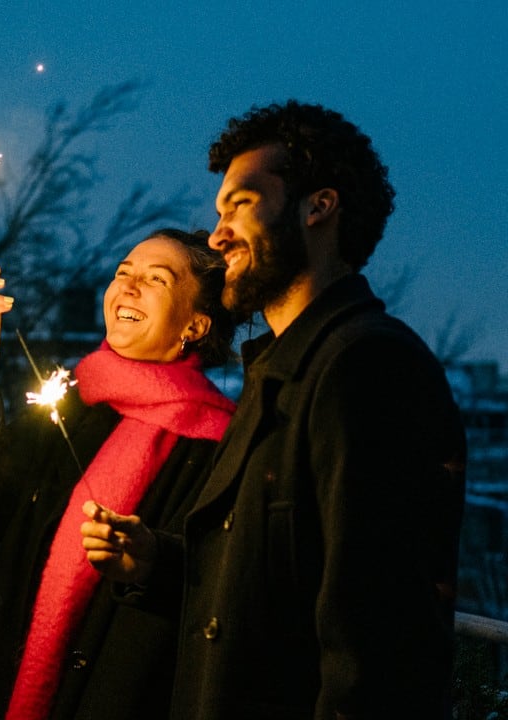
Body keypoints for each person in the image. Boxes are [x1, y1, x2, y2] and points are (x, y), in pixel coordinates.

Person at [82, 101, 467, 719]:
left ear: (319, 206)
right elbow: (279, 584)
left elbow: (380, 649)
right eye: (218, 212)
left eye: (241, 204)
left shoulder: (369, 367)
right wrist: (161, 562)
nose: (217, 234)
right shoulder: (276, 375)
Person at [0, 228, 238, 720]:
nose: (128, 287)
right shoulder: (72, 405)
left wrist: (153, 561)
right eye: (122, 273)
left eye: (155, 279)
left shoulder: (219, 444)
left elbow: (233, 587)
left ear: (196, 325)